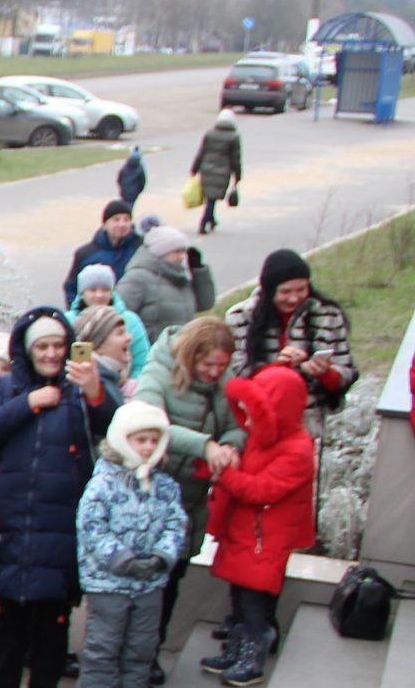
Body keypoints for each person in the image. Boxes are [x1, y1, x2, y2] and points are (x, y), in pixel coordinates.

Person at [0, 309, 115, 688]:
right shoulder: (7, 388)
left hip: (62, 522)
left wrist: (94, 393)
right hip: (14, 520)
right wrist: (28, 404)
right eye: (42, 346)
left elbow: (115, 429)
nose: (52, 354)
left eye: (58, 345)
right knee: (9, 621)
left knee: (53, 624)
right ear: (28, 351)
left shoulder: (85, 387)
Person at [74, 400, 186, 688]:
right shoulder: (104, 483)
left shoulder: (165, 486)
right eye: (141, 440)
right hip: (108, 582)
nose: (148, 447)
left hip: (149, 581)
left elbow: (176, 524)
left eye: (154, 440)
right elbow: (92, 527)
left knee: (141, 643)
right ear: (124, 440)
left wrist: (162, 557)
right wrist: (121, 559)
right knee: (105, 643)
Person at [202, 367, 314, 688]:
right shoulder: (265, 440)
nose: (247, 423)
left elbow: (261, 489)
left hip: (265, 539)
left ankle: (251, 656)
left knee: (253, 599)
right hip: (251, 534)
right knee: (241, 594)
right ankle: (237, 647)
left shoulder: (297, 449)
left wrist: (220, 472)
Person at [135, 315, 243, 637]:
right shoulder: (158, 371)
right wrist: (204, 446)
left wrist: (231, 446)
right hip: (151, 498)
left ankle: (151, 655)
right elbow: (148, 424)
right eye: (208, 364)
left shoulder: (224, 385)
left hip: (190, 503)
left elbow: (237, 426)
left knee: (171, 584)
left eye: (221, 366)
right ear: (191, 354)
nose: (214, 373)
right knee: (143, 589)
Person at [226, 246, 357, 439]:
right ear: (269, 291)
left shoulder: (328, 315)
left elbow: (346, 370)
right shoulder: (240, 317)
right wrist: (279, 368)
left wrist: (325, 373)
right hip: (256, 418)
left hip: (306, 422)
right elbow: (236, 373)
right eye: (285, 292)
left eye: (301, 289)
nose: (294, 298)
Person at [115, 224, 216, 339]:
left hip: (180, 350)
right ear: (160, 252)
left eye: (183, 252)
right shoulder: (136, 279)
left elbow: (205, 304)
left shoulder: (180, 277)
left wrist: (199, 272)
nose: (182, 257)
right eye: (176, 252)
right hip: (150, 353)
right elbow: (118, 318)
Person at [65, 262, 150, 381]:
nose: (99, 295)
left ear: (112, 293)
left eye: (105, 290)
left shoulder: (130, 321)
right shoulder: (68, 320)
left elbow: (142, 362)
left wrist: (130, 387)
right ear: (82, 294)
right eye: (93, 290)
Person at [62, 200, 144, 305]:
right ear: (105, 224)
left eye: (126, 220)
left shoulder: (141, 249)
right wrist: (77, 311)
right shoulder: (85, 254)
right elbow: (71, 287)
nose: (122, 224)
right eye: (116, 220)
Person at [191, 108, 242, 233]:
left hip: (206, 169)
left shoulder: (209, 133)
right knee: (212, 199)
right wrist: (238, 175)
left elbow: (201, 152)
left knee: (210, 197)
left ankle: (212, 219)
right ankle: (204, 222)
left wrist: (194, 168)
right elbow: (236, 158)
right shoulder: (234, 137)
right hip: (223, 171)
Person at [117, 142, 147, 212]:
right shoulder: (140, 168)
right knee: (129, 210)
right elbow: (142, 182)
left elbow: (119, 179)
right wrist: (138, 191)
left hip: (124, 192)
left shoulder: (125, 167)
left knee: (123, 208)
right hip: (133, 193)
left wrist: (122, 188)